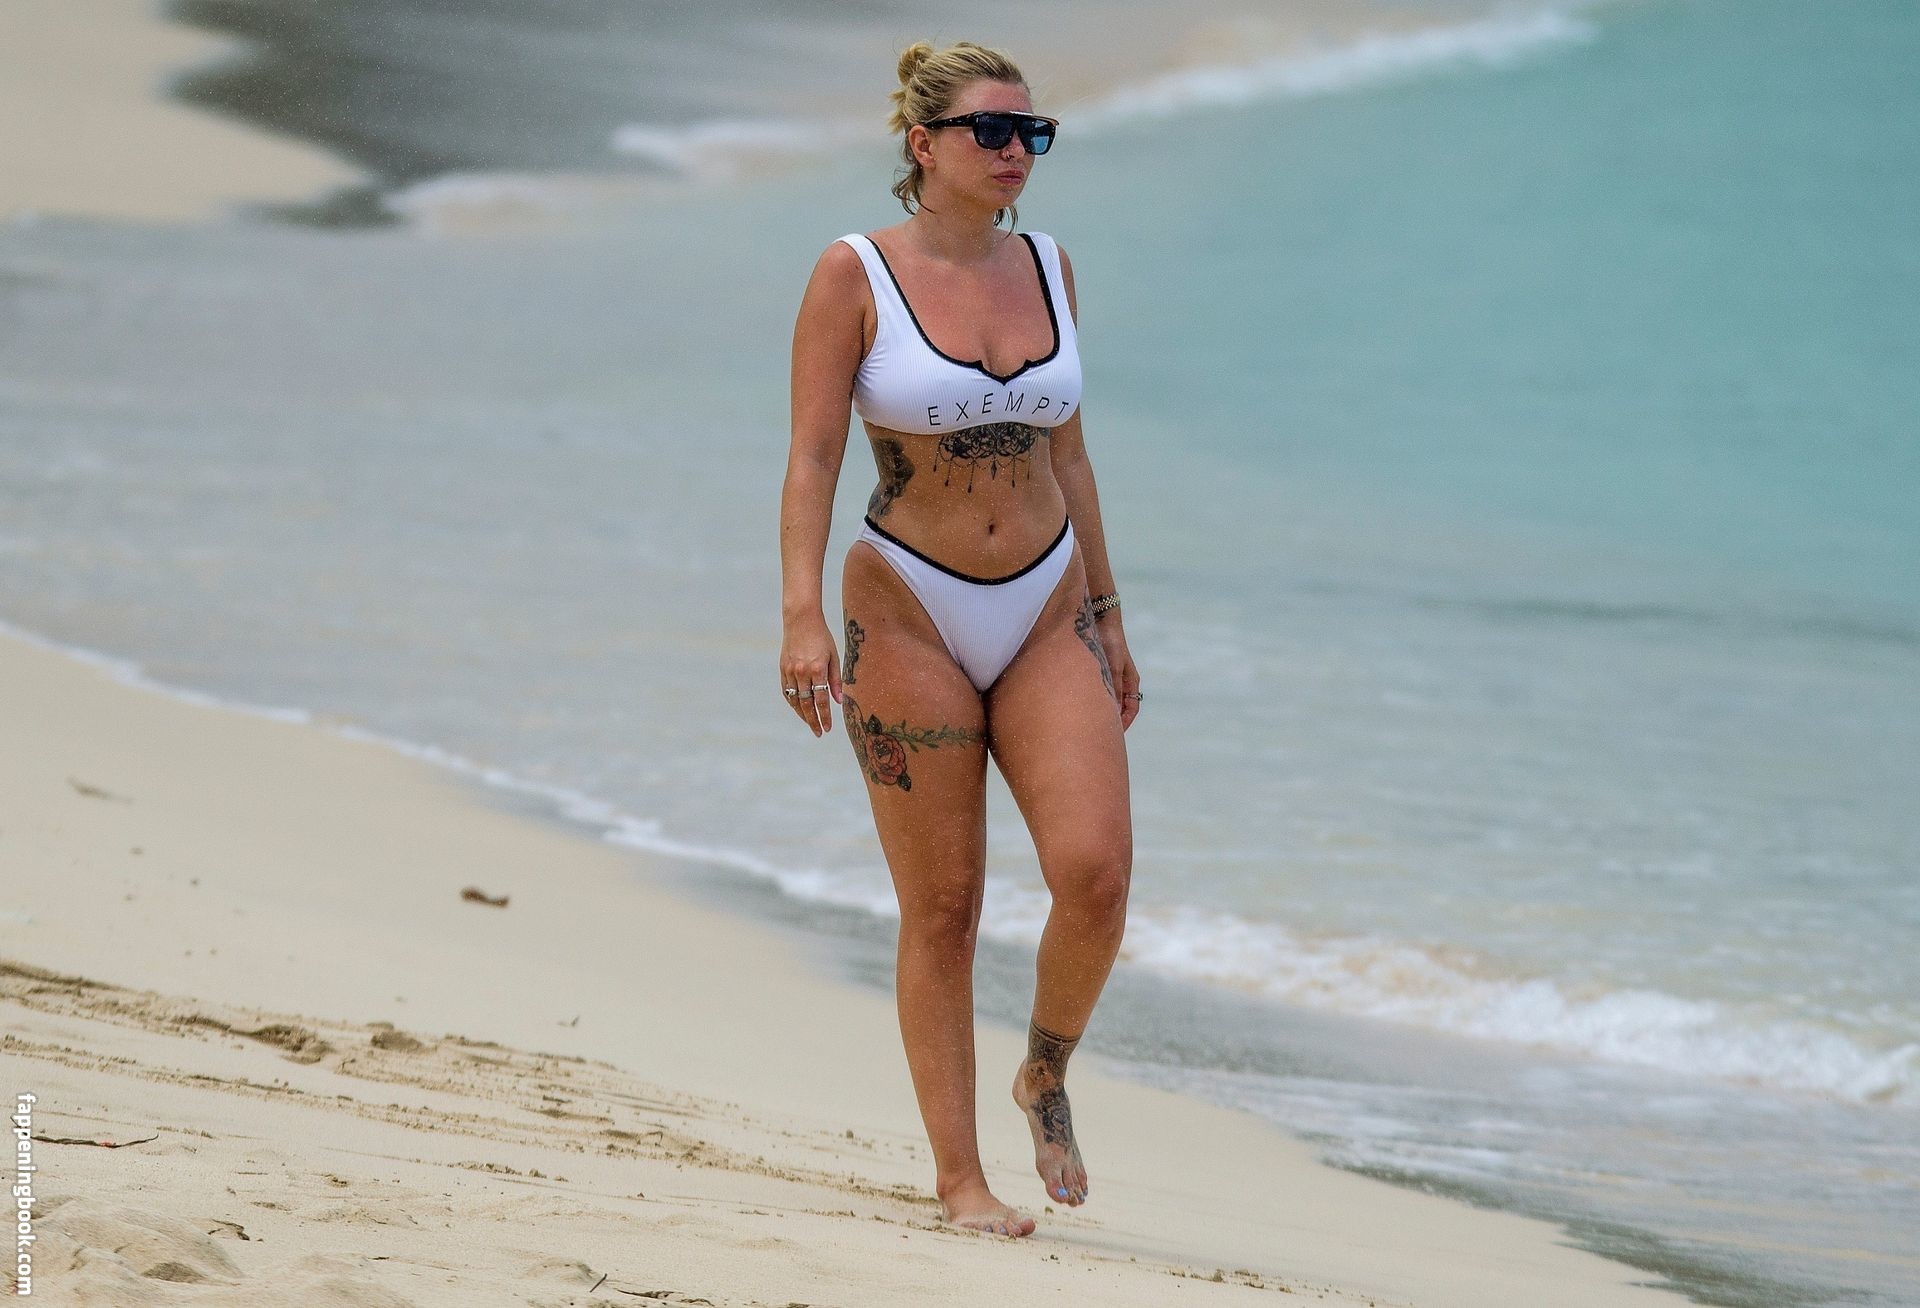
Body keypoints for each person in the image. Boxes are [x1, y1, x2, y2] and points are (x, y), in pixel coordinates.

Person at [779, 38, 1140, 1239]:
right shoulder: (854, 274)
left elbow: (1070, 454)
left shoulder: (1049, 266)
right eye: (992, 131)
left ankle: (1045, 1070)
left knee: (1095, 875)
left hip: (1045, 603)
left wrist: (1109, 612)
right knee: (943, 908)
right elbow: (814, 456)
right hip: (908, 607)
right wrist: (798, 617)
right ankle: (960, 1180)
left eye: (1032, 134)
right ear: (922, 143)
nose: (1015, 152)